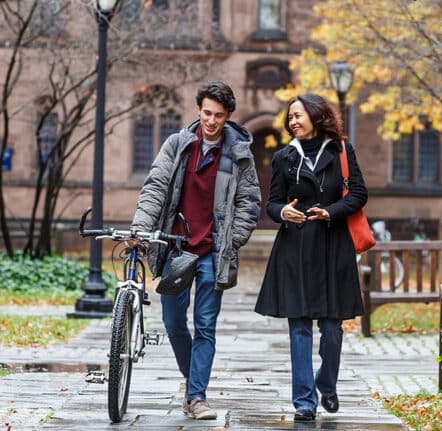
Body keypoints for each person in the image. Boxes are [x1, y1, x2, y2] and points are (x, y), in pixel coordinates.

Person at [130, 81, 261, 420]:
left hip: (213, 252)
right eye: (206, 113)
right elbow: (155, 186)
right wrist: (141, 229)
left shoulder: (239, 153)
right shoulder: (178, 145)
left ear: (228, 116)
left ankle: (198, 396)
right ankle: (193, 382)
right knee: (173, 322)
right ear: (198, 110)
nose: (211, 121)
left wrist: (233, 240)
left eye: (219, 115)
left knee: (205, 325)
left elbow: (249, 203)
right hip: (176, 249)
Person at [254, 93, 367, 422]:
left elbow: (359, 194)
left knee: (332, 329)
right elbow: (272, 203)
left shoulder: (343, 151)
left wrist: (330, 212)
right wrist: (284, 212)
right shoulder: (284, 157)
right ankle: (304, 400)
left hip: (334, 247)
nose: (293, 121)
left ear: (317, 117)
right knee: (299, 326)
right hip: (296, 247)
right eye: (290, 117)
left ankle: (326, 383)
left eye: (298, 115)